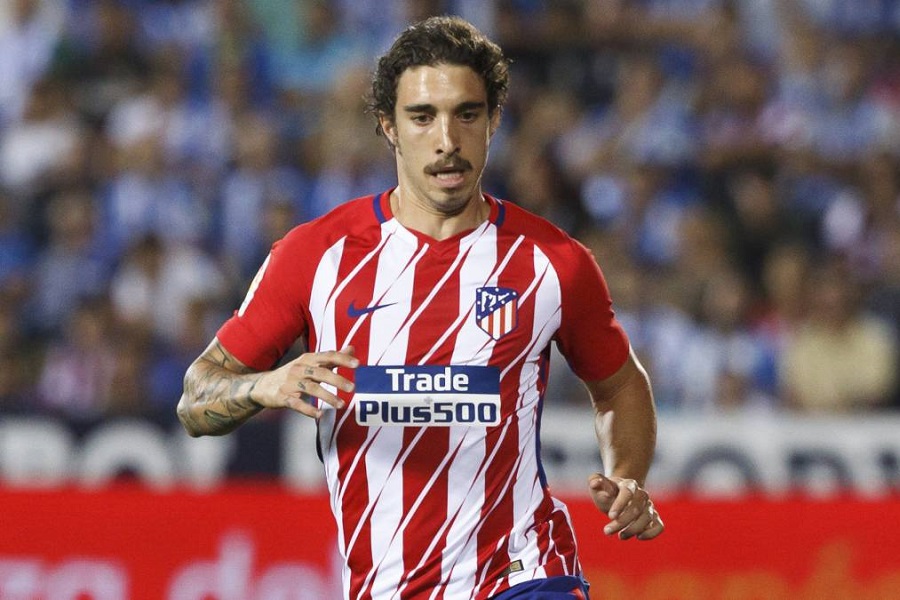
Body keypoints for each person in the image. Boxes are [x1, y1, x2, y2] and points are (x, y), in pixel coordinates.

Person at [178, 15, 663, 600]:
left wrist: (628, 478)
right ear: (388, 125)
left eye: (467, 114)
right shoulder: (315, 257)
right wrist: (265, 386)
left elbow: (620, 385)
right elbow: (196, 398)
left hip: (524, 574)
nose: (447, 140)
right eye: (422, 116)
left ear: (494, 121)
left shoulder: (553, 262)